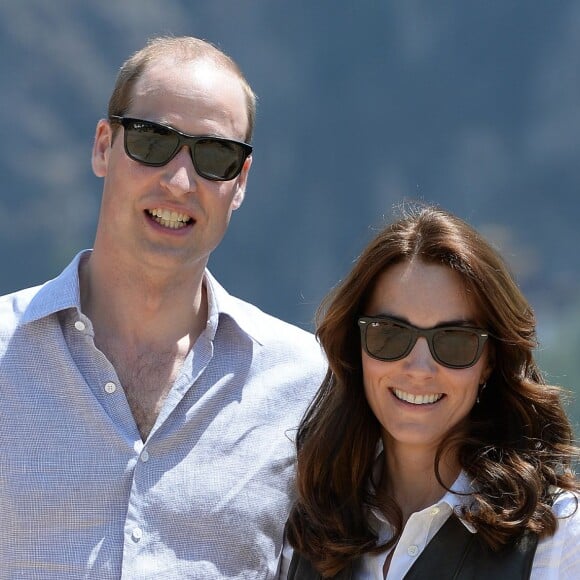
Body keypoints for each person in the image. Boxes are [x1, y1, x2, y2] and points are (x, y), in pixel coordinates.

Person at [0, 36, 326, 578]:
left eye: (215, 157)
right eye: (153, 141)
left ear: (240, 182)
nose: (178, 182)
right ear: (104, 146)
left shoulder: (305, 386)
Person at [282, 204, 580, 579]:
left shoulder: (559, 537)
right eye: (389, 334)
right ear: (356, 348)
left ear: (489, 360)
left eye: (454, 341)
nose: (419, 369)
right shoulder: (304, 525)